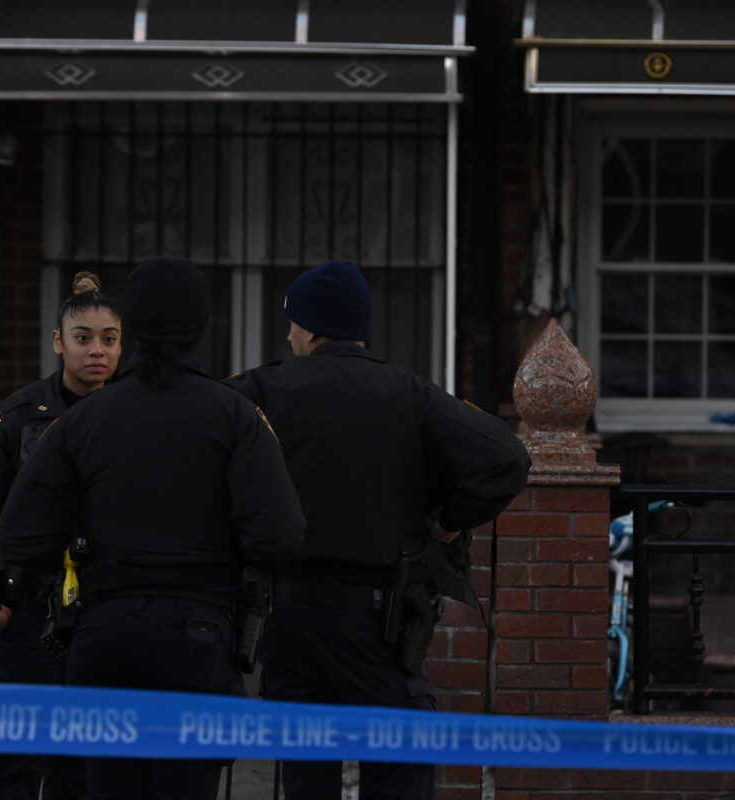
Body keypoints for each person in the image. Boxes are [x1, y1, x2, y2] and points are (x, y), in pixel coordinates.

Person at [0, 256, 305, 800]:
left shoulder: (85, 418)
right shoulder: (233, 415)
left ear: (131, 328)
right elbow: (279, 534)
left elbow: (21, 534)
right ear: (201, 325)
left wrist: (86, 544)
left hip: (103, 633)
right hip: (199, 635)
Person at [225, 259, 530, 800]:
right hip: (378, 622)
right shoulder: (409, 393)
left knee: (304, 779)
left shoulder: (260, 389)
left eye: (292, 323)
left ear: (314, 329)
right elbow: (506, 459)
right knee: (398, 773)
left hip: (289, 617)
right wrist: (446, 523)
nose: (288, 334)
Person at [0, 272, 122, 800]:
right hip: (26, 614)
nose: (97, 351)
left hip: (103, 614)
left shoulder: (131, 417)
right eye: (83, 338)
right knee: (15, 766)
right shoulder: (15, 420)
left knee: (83, 770)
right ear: (58, 342)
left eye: (109, 339)